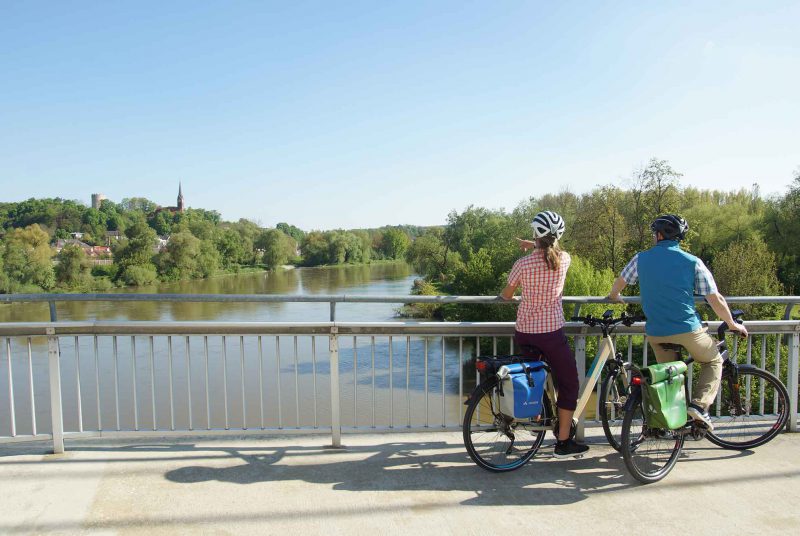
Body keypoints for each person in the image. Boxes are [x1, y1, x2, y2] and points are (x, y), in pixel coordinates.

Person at [606, 214, 748, 430]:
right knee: (713, 361)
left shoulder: (640, 259)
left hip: (656, 332)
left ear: (659, 235)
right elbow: (714, 298)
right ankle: (699, 407)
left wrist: (616, 296)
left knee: (670, 378)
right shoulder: (692, 262)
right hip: (687, 330)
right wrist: (731, 323)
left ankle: (668, 427)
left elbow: (619, 285)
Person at [500, 211, 588, 459]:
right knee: (568, 384)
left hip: (526, 331)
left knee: (530, 378)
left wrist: (531, 249)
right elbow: (552, 252)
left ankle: (534, 417)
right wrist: (538, 246)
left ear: (535, 235)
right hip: (551, 333)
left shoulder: (523, 264)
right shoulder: (565, 259)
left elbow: (507, 295)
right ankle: (562, 441)